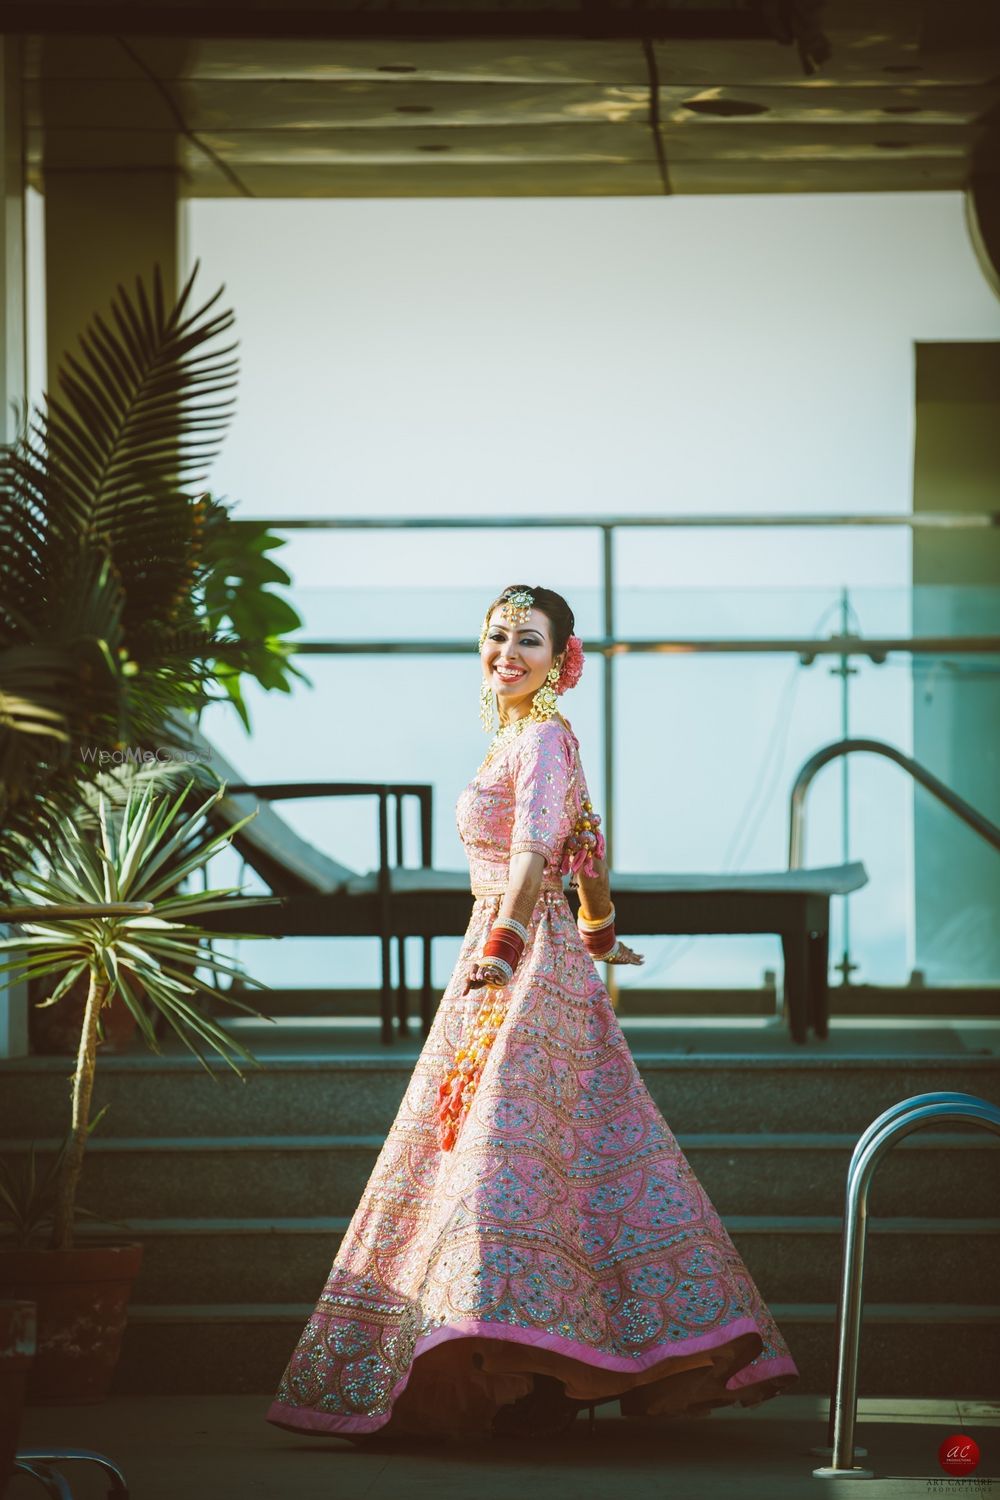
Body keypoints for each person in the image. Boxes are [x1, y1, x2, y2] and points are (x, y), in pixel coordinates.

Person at [265, 583, 800, 1445]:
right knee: (541, 1155)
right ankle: (529, 1365)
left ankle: (517, 1361)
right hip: (522, 951)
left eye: (529, 641)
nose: (506, 653)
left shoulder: (543, 735)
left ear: (563, 659)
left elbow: (536, 855)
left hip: (521, 965)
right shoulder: (523, 738)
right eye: (495, 637)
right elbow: (588, 846)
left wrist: (507, 948)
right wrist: (602, 931)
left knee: (501, 1156)